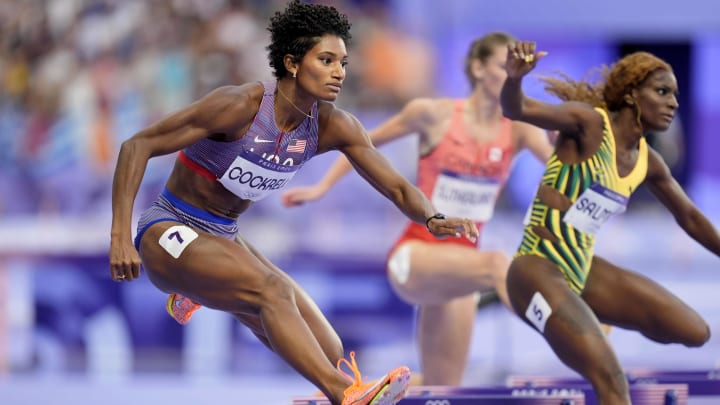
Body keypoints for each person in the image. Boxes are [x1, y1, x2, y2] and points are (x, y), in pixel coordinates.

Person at [108, 1, 478, 404]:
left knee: (330, 350)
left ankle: (202, 291)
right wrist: (120, 237)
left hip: (223, 236)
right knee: (273, 291)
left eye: (343, 62)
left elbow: (396, 187)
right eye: (326, 60)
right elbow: (136, 145)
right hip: (169, 228)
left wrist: (432, 216)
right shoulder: (239, 107)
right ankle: (345, 395)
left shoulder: (333, 126)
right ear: (293, 63)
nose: (339, 72)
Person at [282, 32, 554, 386]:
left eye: (514, 69)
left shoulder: (516, 131)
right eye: (503, 66)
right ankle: (566, 333)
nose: (509, 73)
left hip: (460, 276)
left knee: (443, 387)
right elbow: (360, 144)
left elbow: (559, 168)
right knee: (498, 263)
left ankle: (361, 394)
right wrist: (321, 187)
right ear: (477, 68)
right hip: (414, 258)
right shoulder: (433, 114)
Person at [500, 40, 719, 404]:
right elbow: (517, 108)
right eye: (662, 92)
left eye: (676, 95)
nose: (674, 103)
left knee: (695, 331)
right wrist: (513, 79)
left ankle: (587, 320)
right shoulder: (588, 124)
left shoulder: (648, 162)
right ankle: (582, 330)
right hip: (533, 271)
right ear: (632, 95)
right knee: (612, 379)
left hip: (582, 273)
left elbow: (691, 218)